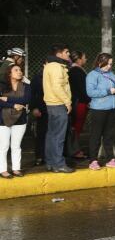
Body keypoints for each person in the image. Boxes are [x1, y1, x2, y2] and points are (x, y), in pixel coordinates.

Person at [85, 53, 115, 170]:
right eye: (107, 64)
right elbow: (90, 92)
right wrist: (108, 91)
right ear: (100, 62)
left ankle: (110, 160)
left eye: (111, 64)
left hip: (112, 109)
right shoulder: (92, 75)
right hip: (98, 110)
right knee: (96, 136)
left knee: (109, 136)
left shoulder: (112, 74)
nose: (109, 66)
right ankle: (93, 161)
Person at [44, 43, 74, 173]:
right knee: (59, 136)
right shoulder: (57, 67)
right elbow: (57, 87)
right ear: (59, 54)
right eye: (66, 52)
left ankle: (51, 163)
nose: (69, 54)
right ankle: (59, 164)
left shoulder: (49, 66)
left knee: (52, 135)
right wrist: (67, 102)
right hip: (58, 104)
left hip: (51, 104)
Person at [0, 64, 30, 178]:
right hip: (3, 119)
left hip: (20, 119)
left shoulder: (26, 86)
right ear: (9, 73)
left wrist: (7, 99)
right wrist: (14, 105)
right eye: (16, 70)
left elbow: (26, 99)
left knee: (16, 146)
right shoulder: (2, 86)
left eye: (20, 70)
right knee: (3, 146)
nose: (19, 72)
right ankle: (3, 170)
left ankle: (16, 169)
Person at [68, 50, 90, 158]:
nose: (86, 59)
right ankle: (75, 150)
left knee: (76, 127)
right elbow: (82, 89)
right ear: (79, 59)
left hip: (78, 102)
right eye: (84, 57)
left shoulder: (75, 70)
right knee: (76, 126)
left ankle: (74, 149)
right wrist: (88, 100)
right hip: (79, 103)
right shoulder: (76, 71)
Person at [29, 63, 47, 166]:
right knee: (41, 134)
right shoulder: (37, 78)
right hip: (41, 110)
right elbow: (32, 94)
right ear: (44, 65)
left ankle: (50, 156)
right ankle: (40, 156)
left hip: (53, 109)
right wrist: (34, 108)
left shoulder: (55, 76)